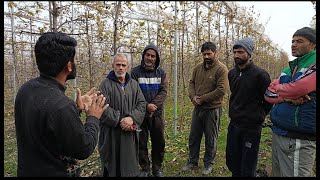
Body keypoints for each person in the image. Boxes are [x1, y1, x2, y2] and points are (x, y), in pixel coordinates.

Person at [14, 32, 108, 177]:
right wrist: (93, 117)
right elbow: (84, 148)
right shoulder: (61, 106)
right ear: (69, 66)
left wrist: (75, 109)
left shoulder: (26, 89)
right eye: (74, 59)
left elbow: (46, 127)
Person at [264, 27, 316, 177]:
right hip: (279, 131)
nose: (293, 44)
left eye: (300, 41)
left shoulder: (313, 64)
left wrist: (284, 90)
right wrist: (287, 97)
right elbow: (268, 93)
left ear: (313, 45)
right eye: (293, 41)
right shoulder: (289, 69)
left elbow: (299, 87)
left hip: (299, 138)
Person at [226, 37, 273, 177]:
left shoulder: (261, 75)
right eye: (235, 52)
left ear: (249, 53)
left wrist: (258, 115)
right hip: (234, 124)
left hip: (251, 127)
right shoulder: (232, 73)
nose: (236, 55)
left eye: (240, 52)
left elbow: (268, 100)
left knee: (248, 164)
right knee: (232, 160)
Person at [182, 42, 229, 175]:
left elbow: (221, 90)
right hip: (198, 108)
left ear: (215, 53)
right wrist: (192, 97)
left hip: (212, 109)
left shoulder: (221, 69)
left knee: (211, 138)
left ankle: (208, 164)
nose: (207, 56)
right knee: (194, 136)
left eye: (209, 53)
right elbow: (191, 83)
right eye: (204, 54)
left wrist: (202, 98)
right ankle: (192, 162)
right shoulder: (197, 68)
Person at [98, 53, 147, 177]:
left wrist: (132, 118)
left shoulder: (134, 85)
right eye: (118, 64)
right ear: (112, 65)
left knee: (129, 165)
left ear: (128, 67)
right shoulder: (105, 84)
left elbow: (142, 104)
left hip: (129, 134)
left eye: (123, 65)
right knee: (111, 166)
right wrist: (121, 120)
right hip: (111, 135)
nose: (120, 68)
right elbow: (102, 107)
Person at [131, 44, 169, 177]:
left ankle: (157, 168)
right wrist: (146, 105)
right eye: (147, 55)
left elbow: (164, 91)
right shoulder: (135, 72)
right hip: (141, 114)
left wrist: (153, 105)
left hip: (157, 114)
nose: (150, 58)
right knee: (141, 141)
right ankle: (145, 168)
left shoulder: (161, 73)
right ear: (143, 56)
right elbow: (135, 92)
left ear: (156, 58)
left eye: (153, 56)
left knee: (159, 141)